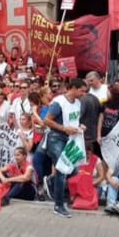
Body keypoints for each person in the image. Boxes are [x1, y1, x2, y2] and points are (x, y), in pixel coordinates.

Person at [43, 78, 88, 218]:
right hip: (56, 138)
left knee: (73, 169)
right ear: (73, 88)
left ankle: (51, 180)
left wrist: (79, 126)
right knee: (63, 170)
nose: (83, 94)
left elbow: (74, 120)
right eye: (82, 90)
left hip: (70, 140)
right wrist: (63, 128)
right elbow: (47, 120)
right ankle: (59, 205)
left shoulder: (78, 103)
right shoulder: (59, 102)